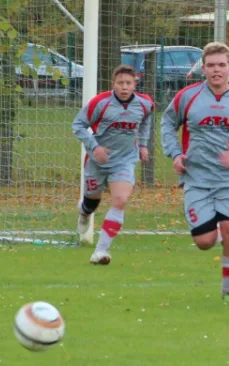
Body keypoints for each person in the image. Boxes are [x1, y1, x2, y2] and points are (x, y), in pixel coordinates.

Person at [160, 42, 229, 302]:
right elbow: (166, 123)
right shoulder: (187, 97)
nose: (216, 70)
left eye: (221, 65)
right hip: (197, 178)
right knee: (205, 241)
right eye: (211, 66)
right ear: (203, 69)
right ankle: (217, 232)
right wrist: (175, 154)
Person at [73, 65, 154, 265]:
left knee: (120, 199)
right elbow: (78, 125)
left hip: (125, 160)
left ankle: (101, 251)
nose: (124, 87)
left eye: (128, 83)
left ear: (135, 84)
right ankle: (84, 212)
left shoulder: (145, 104)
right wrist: (95, 146)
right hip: (97, 161)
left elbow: (146, 121)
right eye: (120, 83)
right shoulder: (100, 103)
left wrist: (143, 145)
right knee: (91, 202)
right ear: (113, 84)